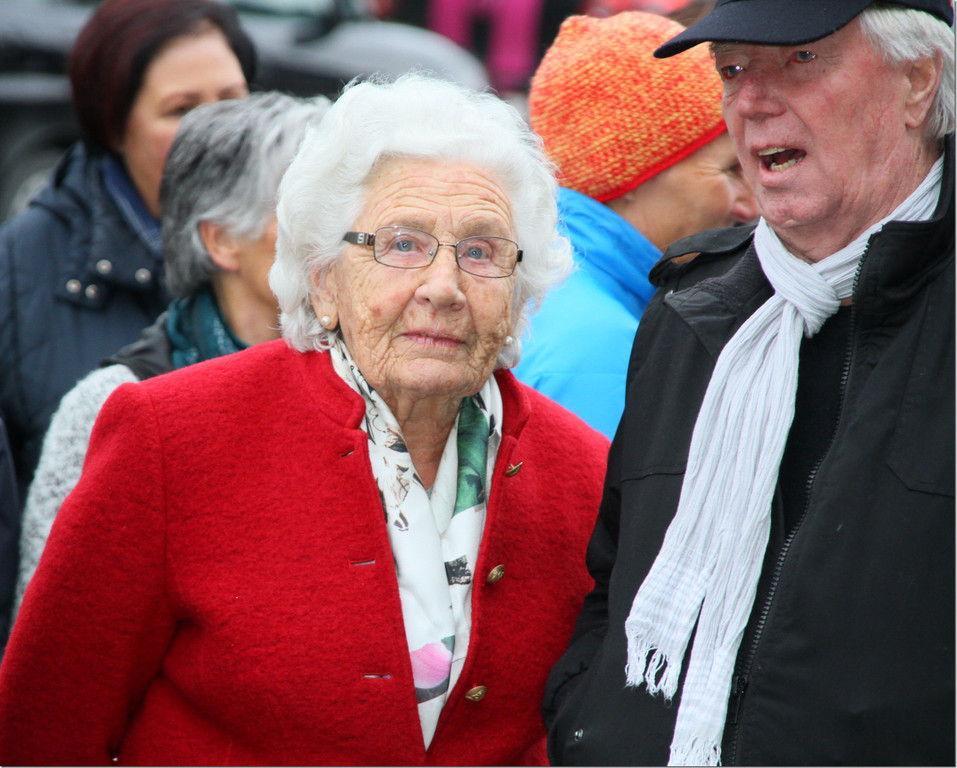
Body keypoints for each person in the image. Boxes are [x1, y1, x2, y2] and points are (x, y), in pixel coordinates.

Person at [0, 73, 610, 765]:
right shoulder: (170, 437)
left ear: (520, 292)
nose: (443, 287)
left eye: (480, 251)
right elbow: (45, 730)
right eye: (401, 244)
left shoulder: (586, 476)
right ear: (323, 281)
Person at [544, 0, 954, 764]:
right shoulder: (689, 311)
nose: (751, 99)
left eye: (800, 60)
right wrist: (587, 720)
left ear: (917, 81)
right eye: (732, 69)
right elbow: (611, 583)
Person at [10, 91, 330, 630]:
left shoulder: (369, 378)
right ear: (222, 240)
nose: (335, 233)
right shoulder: (110, 405)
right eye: (304, 209)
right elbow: (58, 638)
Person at [0, 0, 255, 511]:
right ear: (115, 128)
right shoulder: (18, 276)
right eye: (182, 110)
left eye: (232, 100)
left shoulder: (289, 254)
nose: (219, 133)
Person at [513, 11, 756, 439]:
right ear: (628, 177)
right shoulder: (600, 345)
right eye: (731, 170)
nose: (751, 204)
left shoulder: (553, 291)